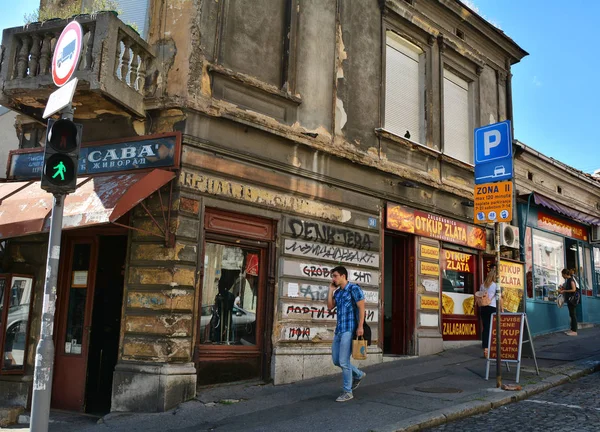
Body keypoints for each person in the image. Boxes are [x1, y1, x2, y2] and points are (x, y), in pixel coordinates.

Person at [327, 266, 366, 402]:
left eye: (335, 276)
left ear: (343, 276)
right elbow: (330, 306)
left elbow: (362, 308)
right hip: (339, 330)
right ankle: (358, 374)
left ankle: (347, 392)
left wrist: (360, 326)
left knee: (344, 361)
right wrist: (331, 290)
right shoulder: (338, 292)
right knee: (337, 360)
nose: (333, 279)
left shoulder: (354, 289)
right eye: (333, 276)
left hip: (350, 330)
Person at [479, 265, 501, 358]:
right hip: (492, 308)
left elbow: (480, 296)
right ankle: (492, 349)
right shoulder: (496, 286)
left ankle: (485, 349)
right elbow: (498, 297)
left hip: (483, 308)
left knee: (486, 329)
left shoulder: (482, 285)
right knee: (493, 329)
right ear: (494, 277)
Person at [559, 268, 578, 336]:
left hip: (572, 300)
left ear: (565, 274)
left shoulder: (571, 280)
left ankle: (574, 331)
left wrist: (564, 291)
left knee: (573, 315)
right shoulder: (568, 280)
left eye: (562, 274)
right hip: (570, 300)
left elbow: (573, 289)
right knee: (571, 314)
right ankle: (572, 329)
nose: (562, 276)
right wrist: (563, 289)